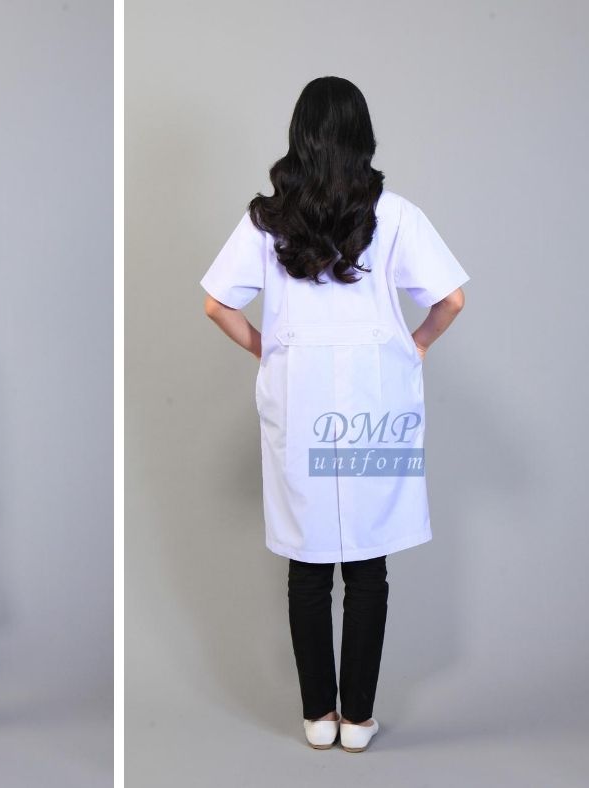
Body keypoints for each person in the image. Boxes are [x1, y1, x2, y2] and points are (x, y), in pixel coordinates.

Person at [199, 76, 468, 753]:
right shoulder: (395, 215)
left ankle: (317, 715)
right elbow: (451, 301)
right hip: (374, 402)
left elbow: (216, 304)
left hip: (300, 399)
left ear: (300, 136)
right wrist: (416, 344)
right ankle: (359, 720)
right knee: (368, 563)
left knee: (308, 560)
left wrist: (267, 348)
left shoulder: (268, 220)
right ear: (361, 136)